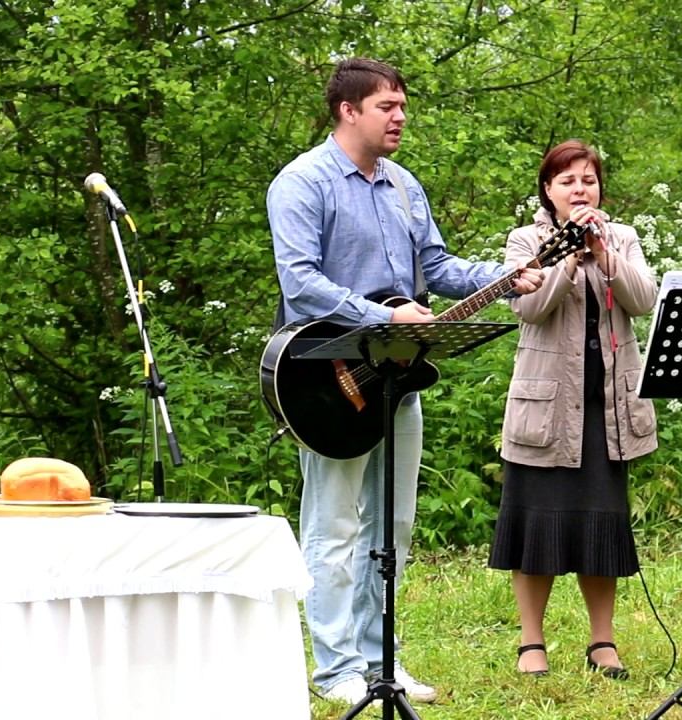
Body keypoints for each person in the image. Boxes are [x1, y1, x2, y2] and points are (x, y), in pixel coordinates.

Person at [267, 58, 543, 704]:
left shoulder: (403, 185)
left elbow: (437, 267)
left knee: (393, 526)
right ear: (348, 110)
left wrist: (506, 279)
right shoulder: (302, 183)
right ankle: (336, 670)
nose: (400, 118)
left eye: (402, 106)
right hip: (325, 378)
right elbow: (300, 283)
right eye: (386, 106)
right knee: (333, 526)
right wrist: (386, 316)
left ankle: (379, 660)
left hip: (397, 376)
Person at [488, 140, 659, 678]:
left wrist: (603, 253)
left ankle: (602, 642)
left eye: (588, 180)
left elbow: (644, 299)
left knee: (601, 526)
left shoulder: (622, 237)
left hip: (606, 409)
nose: (580, 189)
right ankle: (531, 642)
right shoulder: (525, 241)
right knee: (533, 527)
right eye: (567, 181)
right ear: (548, 190)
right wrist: (565, 257)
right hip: (545, 409)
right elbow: (530, 308)